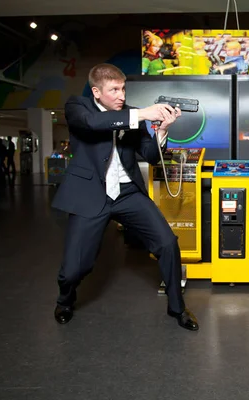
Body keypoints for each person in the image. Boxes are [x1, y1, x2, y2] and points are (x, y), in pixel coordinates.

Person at [51, 63, 199, 331]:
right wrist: (142, 114)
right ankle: (65, 299)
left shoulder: (132, 114)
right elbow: (93, 123)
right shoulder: (78, 106)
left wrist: (161, 131)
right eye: (114, 90)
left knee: (167, 243)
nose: (121, 95)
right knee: (75, 268)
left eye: (123, 89)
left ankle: (177, 307)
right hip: (90, 194)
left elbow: (151, 156)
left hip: (128, 193)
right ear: (96, 92)